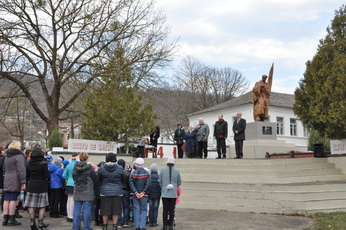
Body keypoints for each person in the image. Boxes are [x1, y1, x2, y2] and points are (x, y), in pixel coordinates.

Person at [25, 147, 50, 230]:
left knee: (31, 205)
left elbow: (27, 176)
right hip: (41, 185)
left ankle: (32, 222)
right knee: (42, 206)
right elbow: (47, 175)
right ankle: (40, 222)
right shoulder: (44, 163)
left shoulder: (29, 163)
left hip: (31, 185)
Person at [97, 153, 124, 230]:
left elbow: (99, 179)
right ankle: (115, 226)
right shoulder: (120, 168)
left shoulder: (101, 168)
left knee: (104, 210)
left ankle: (105, 226)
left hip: (105, 191)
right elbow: (122, 178)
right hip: (117, 191)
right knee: (116, 210)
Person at [2, 141, 26, 226]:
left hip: (7, 178)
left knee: (6, 198)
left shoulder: (7, 156)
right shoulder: (19, 156)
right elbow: (21, 170)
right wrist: (23, 181)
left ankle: (5, 218)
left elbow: (4, 168)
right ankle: (12, 218)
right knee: (13, 198)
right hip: (15, 179)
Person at [72, 152, 97, 230]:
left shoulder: (75, 167)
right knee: (87, 211)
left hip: (77, 191)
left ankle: (75, 227)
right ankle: (87, 227)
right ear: (87, 158)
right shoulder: (90, 168)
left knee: (76, 211)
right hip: (88, 191)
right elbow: (95, 178)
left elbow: (74, 178)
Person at [159, 157, 181, 230]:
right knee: (171, 209)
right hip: (173, 193)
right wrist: (174, 186)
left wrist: (163, 186)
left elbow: (159, 181)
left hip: (165, 192)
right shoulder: (177, 171)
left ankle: (165, 225)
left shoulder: (162, 170)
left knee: (165, 209)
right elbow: (179, 182)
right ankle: (171, 225)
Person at [129, 157, 150, 230]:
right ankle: (142, 226)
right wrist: (143, 192)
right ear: (143, 164)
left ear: (136, 164)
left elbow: (131, 184)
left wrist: (136, 192)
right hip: (144, 194)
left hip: (135, 195)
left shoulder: (133, 173)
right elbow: (148, 184)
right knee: (144, 210)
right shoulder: (147, 173)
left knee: (136, 209)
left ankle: (137, 226)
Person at [62, 152, 79, 222]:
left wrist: (68, 178)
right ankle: (72, 216)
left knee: (69, 200)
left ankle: (69, 215)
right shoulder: (77, 165)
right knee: (73, 201)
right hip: (75, 183)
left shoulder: (68, 165)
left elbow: (63, 175)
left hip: (69, 183)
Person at [117, 159, 131, 228]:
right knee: (126, 207)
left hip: (118, 190)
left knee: (119, 207)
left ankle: (119, 222)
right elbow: (130, 184)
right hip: (126, 191)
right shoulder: (127, 173)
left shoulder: (116, 173)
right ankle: (125, 222)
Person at [148, 163, 161, 227]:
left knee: (151, 208)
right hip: (157, 194)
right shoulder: (159, 176)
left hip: (150, 194)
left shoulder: (149, 176)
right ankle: (154, 221)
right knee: (155, 208)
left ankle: (150, 221)